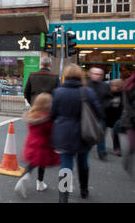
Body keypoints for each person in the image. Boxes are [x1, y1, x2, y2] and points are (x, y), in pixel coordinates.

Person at [51, 64, 103, 203]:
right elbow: (99, 113)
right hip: (84, 133)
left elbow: (53, 114)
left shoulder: (58, 92)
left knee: (66, 166)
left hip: (64, 134)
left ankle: (63, 197)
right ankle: (84, 190)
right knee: (83, 162)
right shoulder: (88, 92)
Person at [14, 93, 60, 198]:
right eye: (50, 102)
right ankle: (39, 183)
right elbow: (52, 132)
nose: (52, 104)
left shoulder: (32, 115)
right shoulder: (47, 118)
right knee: (41, 163)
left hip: (31, 143)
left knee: (32, 164)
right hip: (43, 145)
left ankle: (25, 179)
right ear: (45, 105)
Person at [87, 67, 112, 161]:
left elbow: (109, 98)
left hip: (101, 114)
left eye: (100, 74)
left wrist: (106, 106)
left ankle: (101, 152)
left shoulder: (105, 86)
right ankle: (84, 150)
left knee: (100, 135)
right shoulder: (85, 85)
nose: (97, 76)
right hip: (88, 114)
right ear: (90, 74)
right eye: (95, 74)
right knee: (86, 133)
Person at [121, 71, 135, 177]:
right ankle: (127, 161)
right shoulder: (129, 85)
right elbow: (126, 105)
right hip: (131, 120)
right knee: (132, 145)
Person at [105, 79, 124, 156]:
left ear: (119, 86)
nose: (111, 86)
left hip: (117, 117)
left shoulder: (123, 94)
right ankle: (101, 149)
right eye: (111, 85)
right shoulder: (108, 93)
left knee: (114, 133)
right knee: (101, 133)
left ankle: (117, 149)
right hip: (106, 116)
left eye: (113, 85)